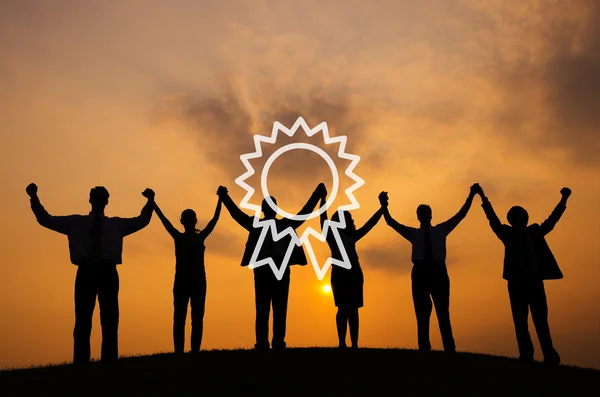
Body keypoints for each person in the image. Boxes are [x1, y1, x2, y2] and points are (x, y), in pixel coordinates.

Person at [26, 183, 155, 364]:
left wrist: (150, 202)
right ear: (91, 200)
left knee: (109, 320)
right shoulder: (77, 222)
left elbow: (142, 220)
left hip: (106, 272)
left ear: (106, 202)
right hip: (87, 271)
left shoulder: (114, 224)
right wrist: (34, 198)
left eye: (102, 198)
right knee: (83, 321)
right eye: (97, 198)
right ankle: (81, 363)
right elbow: (46, 219)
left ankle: (108, 362)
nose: (99, 201)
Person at [216, 183, 326, 351]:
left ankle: (277, 342)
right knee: (263, 308)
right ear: (265, 209)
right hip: (263, 269)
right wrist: (225, 198)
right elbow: (237, 214)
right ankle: (262, 343)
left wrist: (317, 194)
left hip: (279, 268)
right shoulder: (259, 225)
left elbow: (303, 213)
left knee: (279, 307)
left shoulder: (283, 224)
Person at [476, 185, 570, 364]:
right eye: (521, 216)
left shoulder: (534, 232)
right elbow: (492, 219)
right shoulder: (507, 233)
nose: (524, 218)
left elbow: (552, 221)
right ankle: (527, 355)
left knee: (541, 320)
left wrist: (563, 200)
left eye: (524, 215)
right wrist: (482, 197)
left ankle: (549, 355)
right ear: (513, 220)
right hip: (517, 283)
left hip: (534, 281)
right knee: (521, 322)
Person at [381, 184, 479, 353]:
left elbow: (461, 215)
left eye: (426, 213)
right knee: (422, 314)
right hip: (421, 272)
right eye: (422, 214)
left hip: (437, 271)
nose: (424, 216)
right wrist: (383, 204)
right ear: (418, 216)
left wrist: (471, 195)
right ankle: (425, 349)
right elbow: (390, 222)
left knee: (442, 312)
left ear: (429, 215)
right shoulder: (415, 233)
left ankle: (449, 349)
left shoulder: (441, 230)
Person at [153, 197, 222, 354]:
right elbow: (214, 219)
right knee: (184, 318)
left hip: (193, 281)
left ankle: (190, 351)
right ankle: (184, 352)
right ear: (185, 221)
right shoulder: (188, 237)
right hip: (187, 281)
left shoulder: (191, 237)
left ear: (184, 221)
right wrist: (220, 199)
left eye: (190, 219)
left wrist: (220, 199)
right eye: (188, 219)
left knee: (189, 318)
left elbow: (214, 219)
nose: (189, 222)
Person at [319, 192, 387, 349]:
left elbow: (370, 224)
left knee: (352, 309)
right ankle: (343, 343)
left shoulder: (350, 235)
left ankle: (354, 344)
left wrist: (382, 208)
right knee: (343, 309)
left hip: (353, 272)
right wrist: (323, 201)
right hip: (341, 273)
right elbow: (323, 220)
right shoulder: (332, 235)